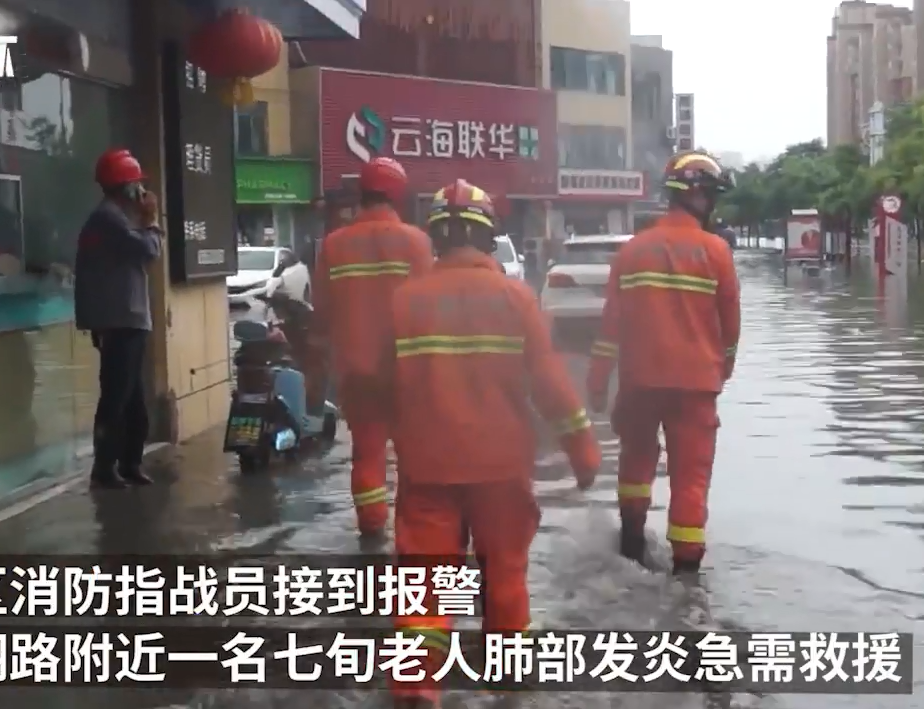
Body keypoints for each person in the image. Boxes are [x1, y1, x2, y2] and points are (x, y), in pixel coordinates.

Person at [385, 179, 600, 707]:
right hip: (501, 468)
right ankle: (507, 681)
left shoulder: (405, 301)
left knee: (423, 582)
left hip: (427, 467)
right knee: (504, 574)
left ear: (434, 235)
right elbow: (550, 384)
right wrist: (582, 448)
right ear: (488, 238)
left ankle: (416, 684)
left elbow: (374, 386)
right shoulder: (515, 298)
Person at [585, 150, 740, 575]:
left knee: (635, 461)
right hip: (696, 387)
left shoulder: (632, 251)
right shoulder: (717, 253)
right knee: (690, 478)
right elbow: (730, 331)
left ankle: (632, 543)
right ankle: (687, 574)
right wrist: (720, 371)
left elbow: (610, 328)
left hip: (639, 383)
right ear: (701, 198)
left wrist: (597, 384)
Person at [308, 156, 433, 537]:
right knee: (413, 455)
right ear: (398, 194)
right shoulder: (417, 242)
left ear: (361, 192)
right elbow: (429, 308)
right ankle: (412, 534)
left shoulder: (334, 245)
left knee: (367, 452)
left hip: (356, 372)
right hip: (406, 370)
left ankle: (371, 527)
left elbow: (322, 310)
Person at [74, 148, 162, 489]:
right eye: (137, 183)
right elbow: (149, 251)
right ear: (126, 186)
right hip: (120, 321)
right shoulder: (109, 219)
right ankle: (105, 466)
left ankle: (130, 462)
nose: (141, 190)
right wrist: (151, 219)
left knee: (134, 400)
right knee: (116, 397)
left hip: (127, 319)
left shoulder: (117, 218)